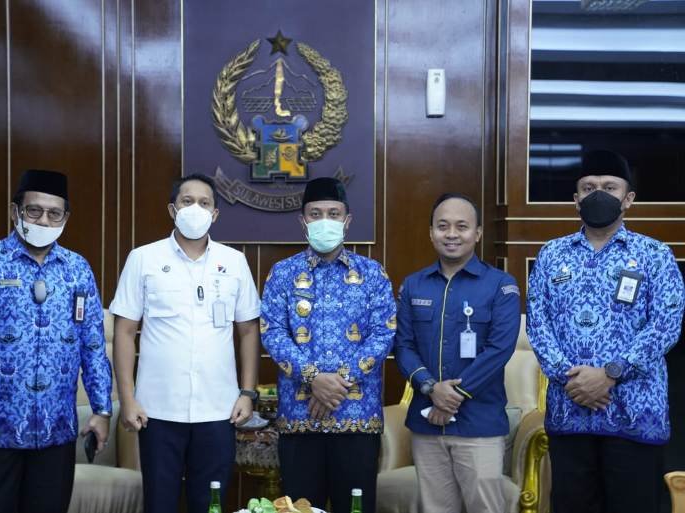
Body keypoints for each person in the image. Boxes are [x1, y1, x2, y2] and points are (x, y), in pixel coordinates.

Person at [0, 169, 113, 513]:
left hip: (56, 433)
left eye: (54, 213)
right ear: (16, 211)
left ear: (65, 218)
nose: (44, 220)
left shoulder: (77, 269)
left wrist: (102, 410)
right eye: (34, 210)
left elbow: (92, 345)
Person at [527, 150, 685, 513]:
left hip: (635, 414)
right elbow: (538, 323)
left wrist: (611, 373)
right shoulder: (551, 254)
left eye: (609, 187)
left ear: (628, 199)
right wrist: (574, 380)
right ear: (576, 199)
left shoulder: (655, 255)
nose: (598, 193)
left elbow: (666, 324)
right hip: (570, 410)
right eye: (589, 187)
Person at [110, 173, 261, 513]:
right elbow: (124, 331)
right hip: (157, 410)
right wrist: (128, 399)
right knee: (160, 503)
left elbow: (249, 330)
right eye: (187, 201)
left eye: (204, 203)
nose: (196, 209)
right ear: (172, 209)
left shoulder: (234, 262)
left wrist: (248, 393)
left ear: (215, 214)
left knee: (210, 504)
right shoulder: (143, 258)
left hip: (219, 409)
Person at [260, 177, 396, 513]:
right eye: (316, 213)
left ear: (347, 221)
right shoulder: (283, 274)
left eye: (333, 214)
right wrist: (313, 379)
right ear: (303, 220)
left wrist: (336, 384)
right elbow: (272, 332)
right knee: (300, 508)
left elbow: (384, 333)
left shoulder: (372, 273)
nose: (325, 221)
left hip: (357, 417)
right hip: (300, 417)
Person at [393, 193, 520, 513]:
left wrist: (454, 395)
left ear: (477, 233)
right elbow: (403, 345)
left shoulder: (500, 285)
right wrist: (430, 388)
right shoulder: (413, 285)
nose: (451, 234)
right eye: (443, 226)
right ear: (431, 232)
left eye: (462, 226)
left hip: (479, 425)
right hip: (427, 424)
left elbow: (499, 349)